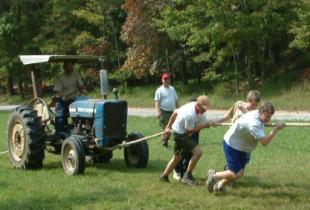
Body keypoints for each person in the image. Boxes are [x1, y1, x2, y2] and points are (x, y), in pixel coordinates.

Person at [206, 102, 285, 193]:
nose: (268, 119)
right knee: (233, 173)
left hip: (243, 148)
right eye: (267, 116)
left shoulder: (256, 113)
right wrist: (275, 130)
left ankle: (219, 186)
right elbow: (264, 142)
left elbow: (248, 115)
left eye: (270, 117)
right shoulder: (254, 124)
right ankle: (214, 175)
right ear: (261, 112)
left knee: (239, 174)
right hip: (232, 145)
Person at [159, 95, 212, 185]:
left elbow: (175, 113)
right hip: (180, 134)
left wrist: (168, 127)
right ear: (198, 105)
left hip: (179, 132)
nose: (205, 110)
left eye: (206, 108)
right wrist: (204, 126)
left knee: (177, 158)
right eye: (203, 108)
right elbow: (189, 132)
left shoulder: (192, 104)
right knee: (198, 152)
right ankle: (187, 176)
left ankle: (164, 176)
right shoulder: (190, 114)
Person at [53, 60, 86, 137]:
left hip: (75, 99)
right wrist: (63, 96)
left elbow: (81, 86)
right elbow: (59, 91)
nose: (70, 67)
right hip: (64, 100)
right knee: (60, 116)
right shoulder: (61, 77)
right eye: (68, 66)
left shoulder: (76, 75)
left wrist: (82, 89)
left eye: (71, 65)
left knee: (82, 113)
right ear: (65, 67)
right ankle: (59, 134)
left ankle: (80, 129)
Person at [154, 73, 179, 147]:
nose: (166, 80)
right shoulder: (159, 90)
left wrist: (179, 109)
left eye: (167, 79)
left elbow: (176, 99)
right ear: (162, 80)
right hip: (164, 111)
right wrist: (158, 112)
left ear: (169, 80)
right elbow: (157, 102)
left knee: (172, 127)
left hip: (172, 111)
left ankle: (166, 139)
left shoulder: (172, 89)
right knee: (166, 127)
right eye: (164, 79)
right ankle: (165, 141)